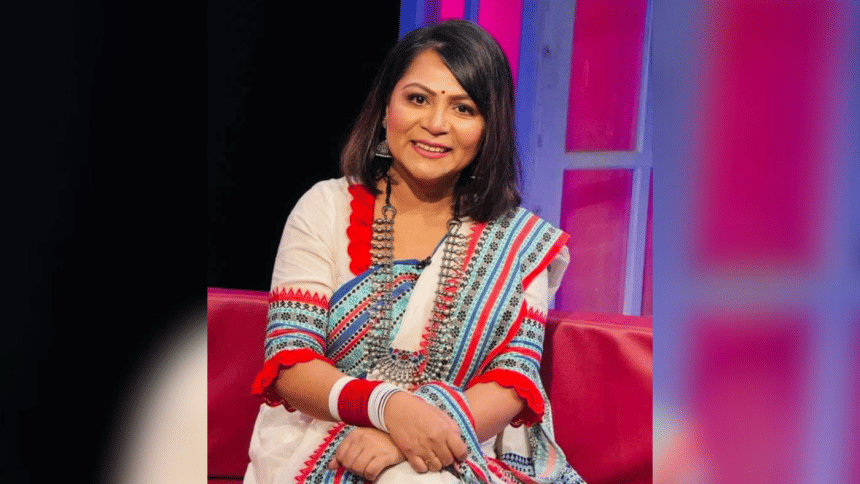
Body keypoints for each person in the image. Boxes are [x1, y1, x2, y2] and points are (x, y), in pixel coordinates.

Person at [244, 20, 585, 484]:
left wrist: (406, 436)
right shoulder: (324, 208)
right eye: (418, 99)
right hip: (323, 435)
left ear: (489, 128)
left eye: (463, 108)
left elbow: (513, 379)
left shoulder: (520, 241)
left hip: (458, 441)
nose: (436, 124)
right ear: (386, 108)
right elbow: (291, 360)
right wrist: (388, 408)